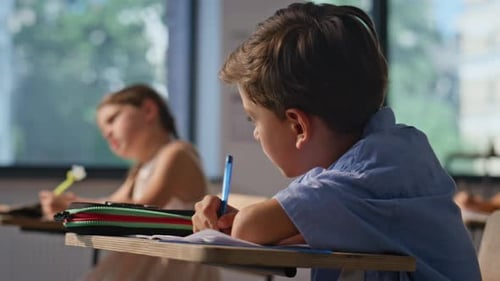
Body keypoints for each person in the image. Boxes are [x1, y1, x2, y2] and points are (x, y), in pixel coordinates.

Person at [191, 3, 481, 281]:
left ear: (298, 126)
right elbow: (286, 226)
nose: (255, 132)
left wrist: (230, 225)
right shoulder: (393, 153)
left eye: (252, 119)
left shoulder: (365, 174)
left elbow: (249, 228)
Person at [39, 84, 220, 281]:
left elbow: (140, 211)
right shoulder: (141, 167)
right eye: (103, 130)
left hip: (174, 268)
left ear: (149, 110)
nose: (107, 133)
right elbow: (113, 202)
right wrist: (73, 203)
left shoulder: (177, 153)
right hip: (148, 261)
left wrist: (72, 206)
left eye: (112, 119)